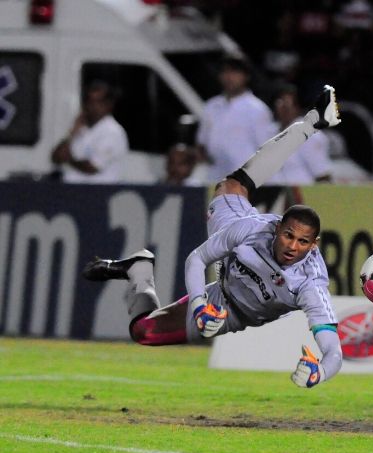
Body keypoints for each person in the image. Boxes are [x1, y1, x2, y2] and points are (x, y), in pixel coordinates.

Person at [83, 85, 342, 389]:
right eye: (288, 236)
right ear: (276, 229)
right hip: (219, 289)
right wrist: (199, 306)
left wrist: (318, 373)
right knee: (232, 185)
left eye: (303, 242)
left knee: (143, 333)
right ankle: (312, 120)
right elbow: (198, 258)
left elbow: (333, 350)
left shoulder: (310, 283)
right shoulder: (251, 230)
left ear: (314, 245)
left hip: (233, 311)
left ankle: (139, 271)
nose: (292, 246)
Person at [196, 53, 275, 183]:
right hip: (215, 179)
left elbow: (267, 151)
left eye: (235, 72)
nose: (229, 77)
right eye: (225, 72)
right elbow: (202, 144)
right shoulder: (211, 106)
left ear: (246, 76)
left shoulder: (257, 109)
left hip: (245, 182)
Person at [50, 80, 129, 183]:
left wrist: (68, 159)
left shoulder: (112, 132)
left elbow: (92, 167)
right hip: (72, 190)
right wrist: (72, 133)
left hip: (96, 192)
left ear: (108, 105)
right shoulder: (81, 129)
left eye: (97, 102)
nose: (91, 106)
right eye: (89, 101)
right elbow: (56, 157)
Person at [266, 85, 333, 185]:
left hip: (302, 194)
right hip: (274, 193)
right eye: (280, 104)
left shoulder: (310, 134)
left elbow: (322, 175)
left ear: (297, 107)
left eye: (288, 105)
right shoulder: (269, 132)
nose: (284, 109)